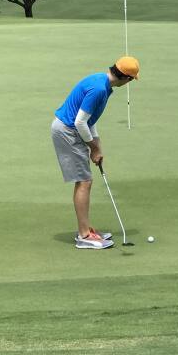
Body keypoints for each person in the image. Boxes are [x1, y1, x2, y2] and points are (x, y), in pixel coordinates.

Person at [51, 56, 140, 249]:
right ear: (126, 78)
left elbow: (89, 121)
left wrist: (97, 146)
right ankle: (84, 236)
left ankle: (86, 228)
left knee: (85, 180)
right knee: (84, 181)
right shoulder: (99, 90)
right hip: (67, 131)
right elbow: (80, 122)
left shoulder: (102, 83)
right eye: (131, 79)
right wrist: (94, 148)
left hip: (71, 130)